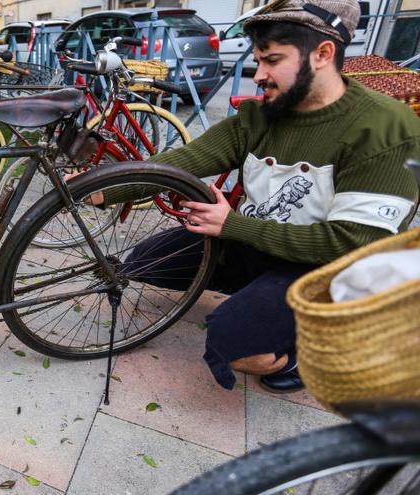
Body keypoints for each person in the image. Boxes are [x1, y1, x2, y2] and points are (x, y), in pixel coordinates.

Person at [90, 0, 419, 393]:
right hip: (258, 241)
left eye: (272, 60)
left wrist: (232, 224)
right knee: (144, 263)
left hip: (329, 271)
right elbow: (186, 159)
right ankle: (263, 298)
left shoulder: (386, 129)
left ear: (323, 53)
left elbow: (352, 245)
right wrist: (102, 188)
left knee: (234, 346)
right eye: (258, 59)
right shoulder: (264, 114)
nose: (258, 74)